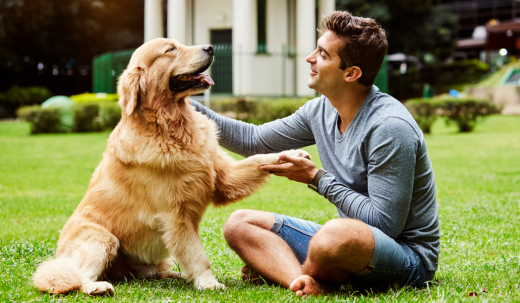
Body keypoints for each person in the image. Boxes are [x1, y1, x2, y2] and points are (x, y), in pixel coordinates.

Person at [190, 11, 439, 298]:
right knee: (239, 224)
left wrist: (316, 178)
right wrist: (184, 103)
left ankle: (291, 268)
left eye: (322, 54)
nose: (309, 58)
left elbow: (384, 225)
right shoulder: (320, 110)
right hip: (345, 242)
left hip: (407, 259)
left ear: (351, 73)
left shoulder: (389, 128)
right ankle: (304, 282)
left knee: (335, 235)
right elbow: (254, 139)